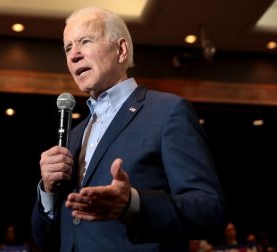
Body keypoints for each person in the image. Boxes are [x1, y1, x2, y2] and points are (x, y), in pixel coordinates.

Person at [31, 6, 228, 252]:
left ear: (121, 50)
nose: (74, 55)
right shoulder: (74, 135)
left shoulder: (167, 112)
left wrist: (133, 203)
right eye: (68, 48)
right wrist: (48, 192)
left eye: (85, 41)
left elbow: (211, 209)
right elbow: (46, 239)